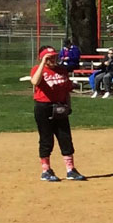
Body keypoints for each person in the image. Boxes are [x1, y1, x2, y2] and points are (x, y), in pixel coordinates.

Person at [30, 49, 87, 182]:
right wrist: (43, 63)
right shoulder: (37, 69)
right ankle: (46, 170)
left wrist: (69, 106)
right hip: (43, 107)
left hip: (60, 106)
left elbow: (66, 90)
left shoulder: (62, 70)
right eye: (49, 58)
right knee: (46, 139)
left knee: (65, 137)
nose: (53, 60)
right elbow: (35, 82)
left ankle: (70, 170)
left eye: (54, 57)